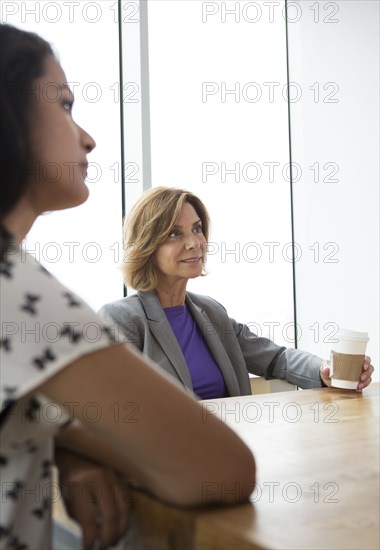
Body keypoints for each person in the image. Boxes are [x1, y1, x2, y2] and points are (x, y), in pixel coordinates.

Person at [0, 24, 256, 550]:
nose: (88, 137)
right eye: (65, 106)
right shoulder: (19, 292)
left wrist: (66, 443)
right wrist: (76, 439)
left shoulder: (211, 310)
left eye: (197, 230)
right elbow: (222, 470)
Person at [99, 187, 374, 399]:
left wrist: (325, 370)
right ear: (147, 245)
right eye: (174, 234)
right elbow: (114, 411)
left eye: (197, 229)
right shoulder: (121, 319)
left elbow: (276, 358)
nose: (195, 243)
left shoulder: (211, 313)